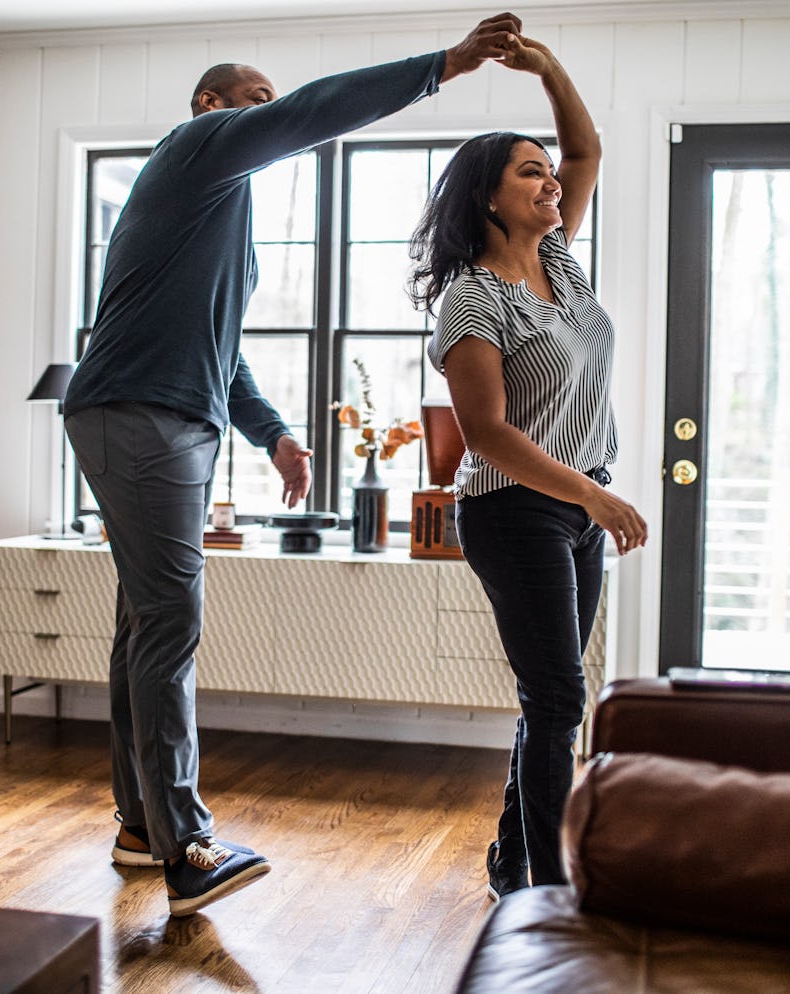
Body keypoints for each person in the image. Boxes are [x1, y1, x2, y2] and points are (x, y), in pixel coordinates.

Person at [63, 12, 527, 918]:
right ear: (211, 106)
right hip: (140, 418)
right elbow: (317, 108)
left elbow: (220, 349)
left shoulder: (219, 214)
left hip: (166, 421)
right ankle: (187, 844)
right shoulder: (196, 150)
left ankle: (137, 823)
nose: (269, 115)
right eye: (254, 101)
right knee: (169, 625)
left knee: (142, 629)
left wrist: (272, 433)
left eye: (266, 105)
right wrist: (445, 65)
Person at [410, 33, 648, 900]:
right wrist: (595, 495)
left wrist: (547, 70)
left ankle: (515, 865)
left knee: (549, 698)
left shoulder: (556, 261)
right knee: (558, 698)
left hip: (574, 508)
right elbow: (488, 435)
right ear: (489, 200)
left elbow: (586, 149)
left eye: (550, 176)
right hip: (515, 512)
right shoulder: (473, 296)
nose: (552, 183)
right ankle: (552, 894)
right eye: (529, 175)